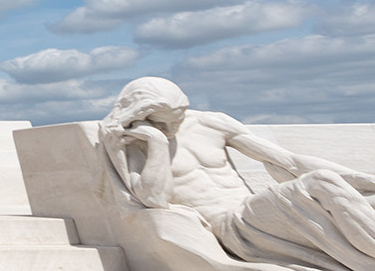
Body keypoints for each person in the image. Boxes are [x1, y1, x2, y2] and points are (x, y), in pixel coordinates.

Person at [102, 76, 375, 268]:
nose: (174, 129)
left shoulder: (212, 122)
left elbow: (290, 161)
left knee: (362, 197)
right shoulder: (133, 144)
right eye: (163, 123)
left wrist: (363, 180)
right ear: (140, 114)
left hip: (258, 209)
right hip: (232, 225)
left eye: (179, 119)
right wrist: (157, 143)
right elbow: (154, 201)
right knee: (321, 182)